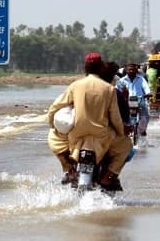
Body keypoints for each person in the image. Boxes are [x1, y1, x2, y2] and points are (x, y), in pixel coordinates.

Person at [47, 53, 132, 189]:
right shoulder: (109, 89)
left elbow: (55, 107)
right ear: (101, 68)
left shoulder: (75, 85)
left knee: (52, 137)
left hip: (76, 134)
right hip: (101, 136)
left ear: (85, 68)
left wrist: (52, 123)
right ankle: (107, 177)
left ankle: (69, 170)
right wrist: (122, 132)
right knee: (126, 145)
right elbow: (115, 117)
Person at [117, 62, 152, 141]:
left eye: (133, 69)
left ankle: (142, 130)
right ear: (126, 70)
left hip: (140, 101)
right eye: (129, 69)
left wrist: (148, 94)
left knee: (146, 116)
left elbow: (147, 89)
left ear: (136, 70)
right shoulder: (121, 81)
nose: (131, 71)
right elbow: (117, 91)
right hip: (127, 102)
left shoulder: (141, 79)